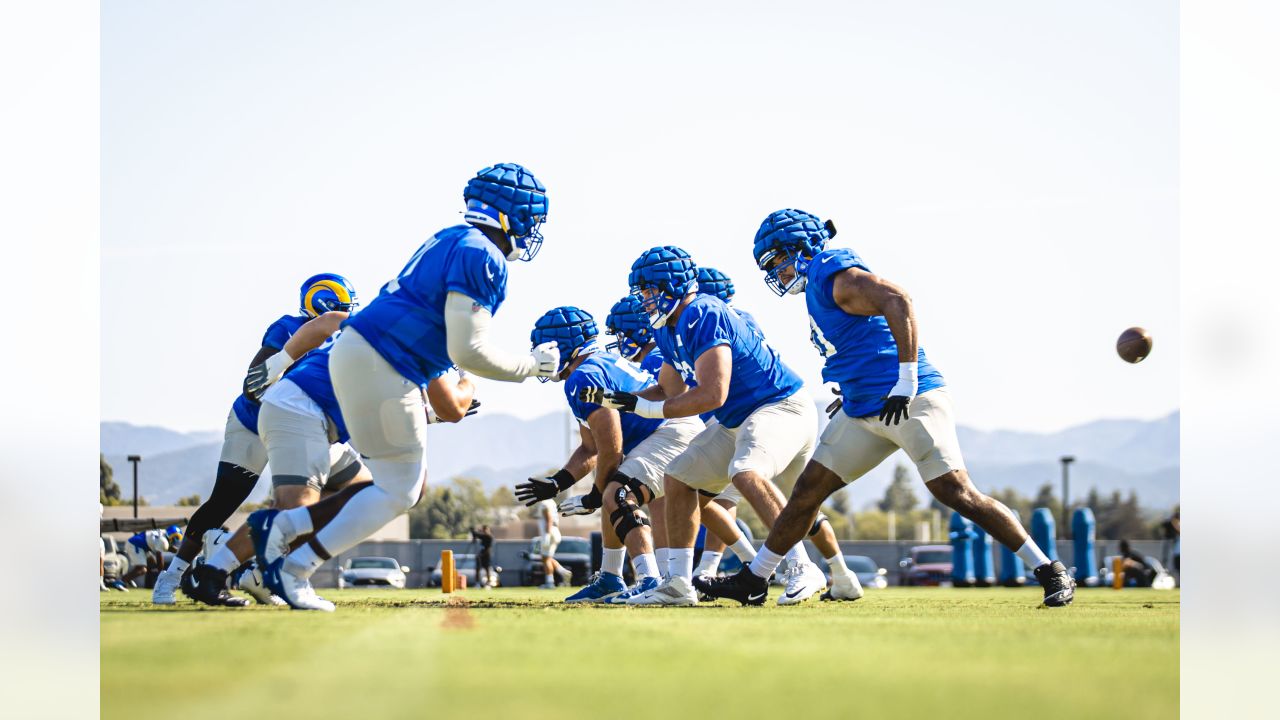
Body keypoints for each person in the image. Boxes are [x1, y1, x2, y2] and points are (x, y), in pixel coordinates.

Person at [696, 209, 1074, 607]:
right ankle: (755, 578)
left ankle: (1049, 569)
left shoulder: (831, 270)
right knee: (808, 491)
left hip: (909, 400)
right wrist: (852, 386)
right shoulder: (819, 286)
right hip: (863, 408)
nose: (777, 273)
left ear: (800, 248)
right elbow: (861, 342)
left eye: (777, 261)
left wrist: (905, 380)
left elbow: (897, 299)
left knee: (957, 492)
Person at [264, 163, 559, 611]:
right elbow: (468, 351)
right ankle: (292, 568)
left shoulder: (449, 237)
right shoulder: (484, 254)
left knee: (389, 484)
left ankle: (277, 541)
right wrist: (532, 366)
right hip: (386, 362)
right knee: (400, 489)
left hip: (359, 351)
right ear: (511, 215)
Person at [583, 246, 844, 606]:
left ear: (672, 285)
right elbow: (668, 389)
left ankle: (802, 566)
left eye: (648, 291)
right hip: (738, 418)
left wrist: (644, 409)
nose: (643, 300)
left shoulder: (702, 312)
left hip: (778, 406)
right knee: (678, 477)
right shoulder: (667, 329)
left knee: (746, 472)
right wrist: (617, 399)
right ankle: (677, 583)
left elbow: (712, 393)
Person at [151, 275, 357, 605]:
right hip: (255, 422)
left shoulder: (348, 340)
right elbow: (254, 383)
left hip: (309, 426)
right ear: (325, 306)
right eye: (343, 309)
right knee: (224, 501)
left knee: (336, 493)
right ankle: (172, 575)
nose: (347, 316)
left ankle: (261, 571)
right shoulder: (288, 328)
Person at [692, 266, 858, 592]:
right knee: (801, 503)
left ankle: (756, 567)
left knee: (723, 492)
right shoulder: (735, 319)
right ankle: (842, 575)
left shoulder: (712, 323)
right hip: (773, 416)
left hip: (758, 419)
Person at [535, 498, 569, 589]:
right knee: (547, 558)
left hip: (550, 532)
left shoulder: (545, 502)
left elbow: (549, 518)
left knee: (545, 559)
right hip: (555, 531)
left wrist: (547, 535)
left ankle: (550, 582)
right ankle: (564, 572)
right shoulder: (552, 501)